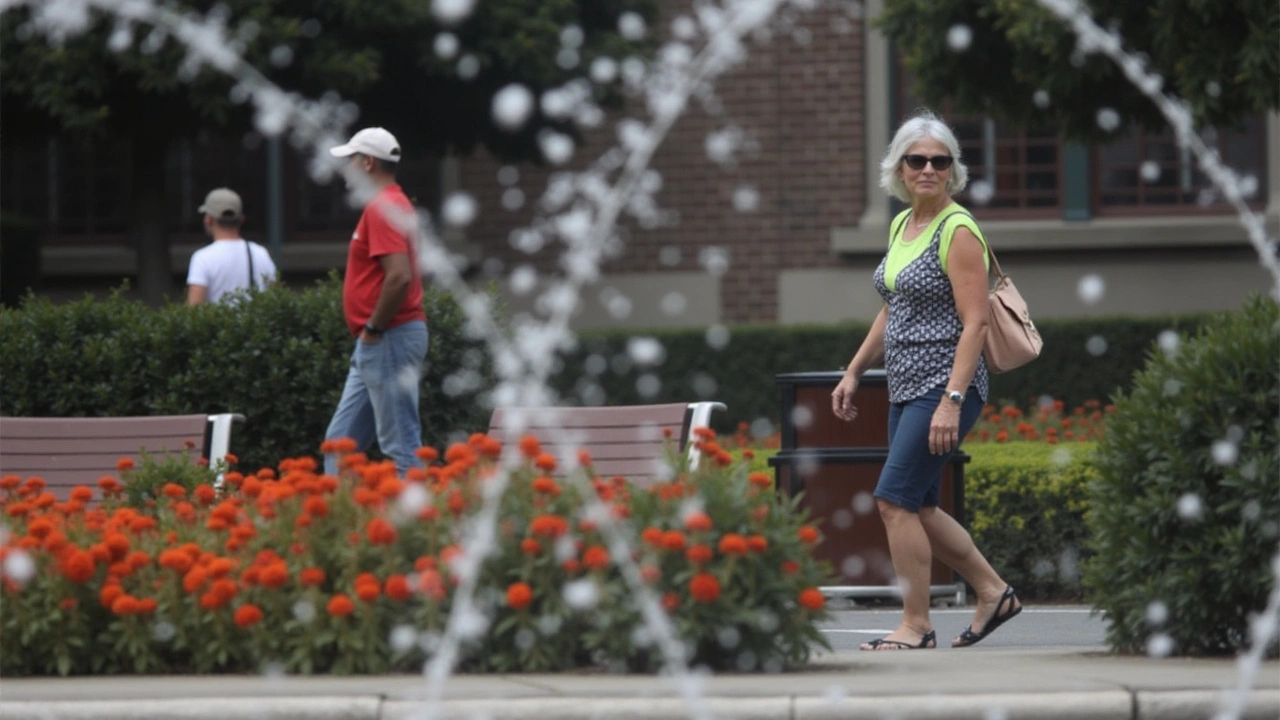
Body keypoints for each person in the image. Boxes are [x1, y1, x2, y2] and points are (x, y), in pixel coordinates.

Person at [831, 110, 1021, 650]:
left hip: (946, 385)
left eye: (941, 161)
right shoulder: (902, 224)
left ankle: (916, 625)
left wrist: (951, 402)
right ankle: (992, 591)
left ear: (952, 170)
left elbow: (977, 321)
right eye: (918, 160)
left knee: (893, 500)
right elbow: (893, 308)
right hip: (905, 384)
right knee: (920, 505)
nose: (929, 169)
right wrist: (854, 370)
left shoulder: (958, 229)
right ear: (899, 167)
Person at [322, 127, 429, 477]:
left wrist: (373, 329)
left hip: (386, 337)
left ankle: (420, 528)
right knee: (340, 443)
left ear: (367, 163)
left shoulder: (383, 207)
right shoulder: (392, 204)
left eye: (351, 160)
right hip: (381, 340)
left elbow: (398, 276)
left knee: (402, 447)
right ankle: (336, 528)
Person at [187, 188, 277, 305]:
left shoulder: (202, 258)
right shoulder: (261, 253)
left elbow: (194, 309)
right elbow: (275, 299)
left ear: (209, 219)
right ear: (241, 219)